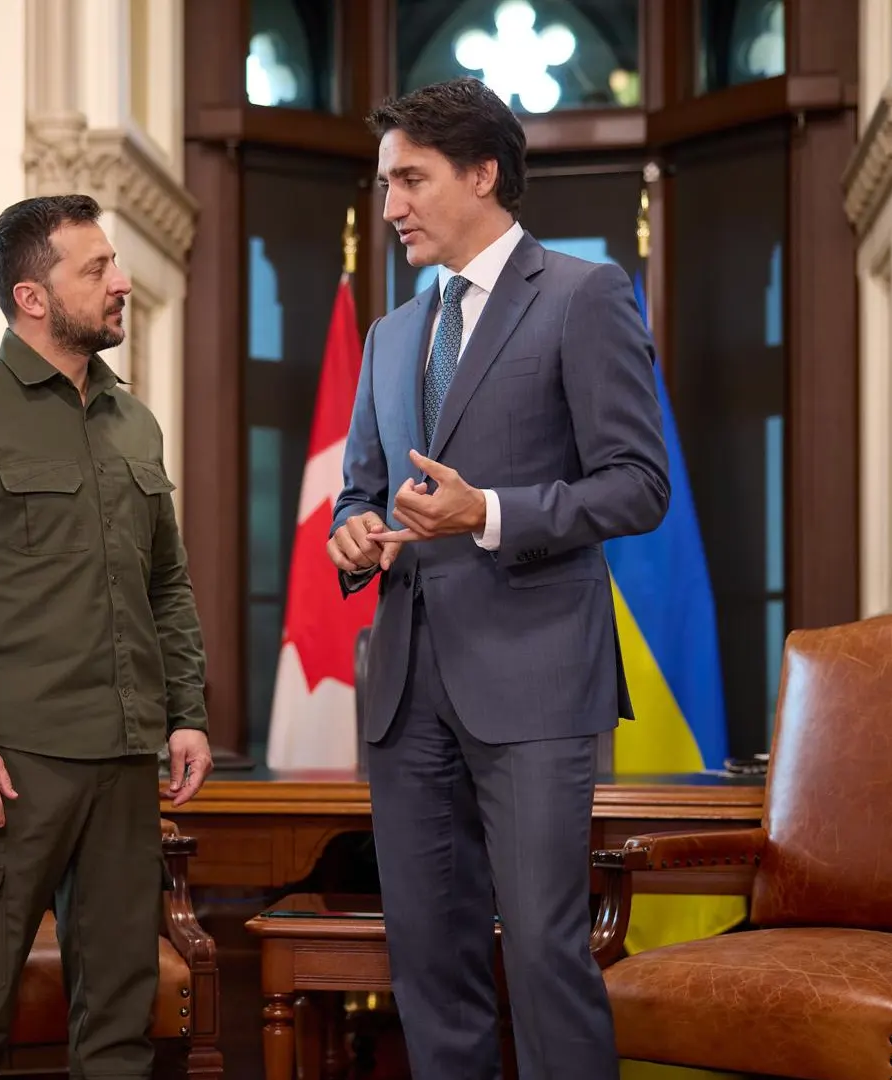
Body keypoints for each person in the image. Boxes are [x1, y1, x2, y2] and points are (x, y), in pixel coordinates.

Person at [326, 78, 669, 1080]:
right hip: (404, 687)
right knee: (430, 967)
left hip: (533, 679)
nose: (390, 205)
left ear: (482, 174)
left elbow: (639, 486)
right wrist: (355, 536)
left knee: (547, 955)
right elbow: (361, 492)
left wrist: (492, 513)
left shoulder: (582, 293)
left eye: (410, 180)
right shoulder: (390, 336)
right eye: (387, 182)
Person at [0, 193, 214, 1080]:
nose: (122, 283)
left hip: (124, 758)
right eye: (97, 268)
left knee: (118, 1018)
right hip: (11, 767)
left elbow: (167, 584)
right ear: (34, 296)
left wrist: (187, 712)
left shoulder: (132, 421)